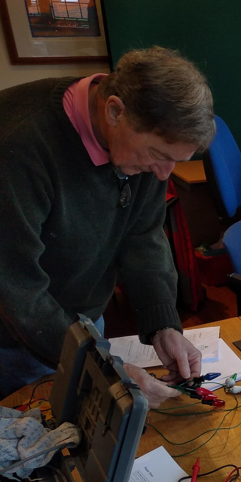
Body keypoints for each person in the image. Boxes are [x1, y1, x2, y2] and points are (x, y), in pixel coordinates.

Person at [0, 46, 215, 407]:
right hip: (11, 336)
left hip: (79, 324)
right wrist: (98, 364)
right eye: (161, 156)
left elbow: (142, 236)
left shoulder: (141, 146)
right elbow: (16, 287)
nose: (165, 174)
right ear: (115, 111)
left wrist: (163, 323)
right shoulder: (19, 145)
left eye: (176, 161)